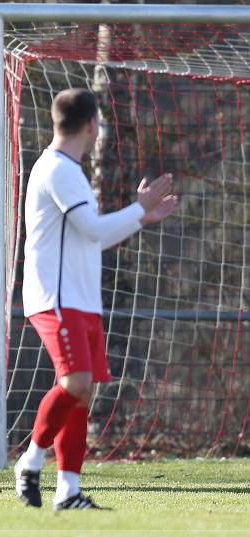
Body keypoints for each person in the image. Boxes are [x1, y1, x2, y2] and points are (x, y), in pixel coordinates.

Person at [14, 88, 178, 510]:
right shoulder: (58, 169)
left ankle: (68, 491)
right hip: (56, 297)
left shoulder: (71, 169)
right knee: (75, 384)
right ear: (92, 125)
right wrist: (140, 208)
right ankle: (30, 461)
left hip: (81, 300)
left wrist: (141, 216)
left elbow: (94, 236)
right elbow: (95, 231)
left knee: (82, 394)